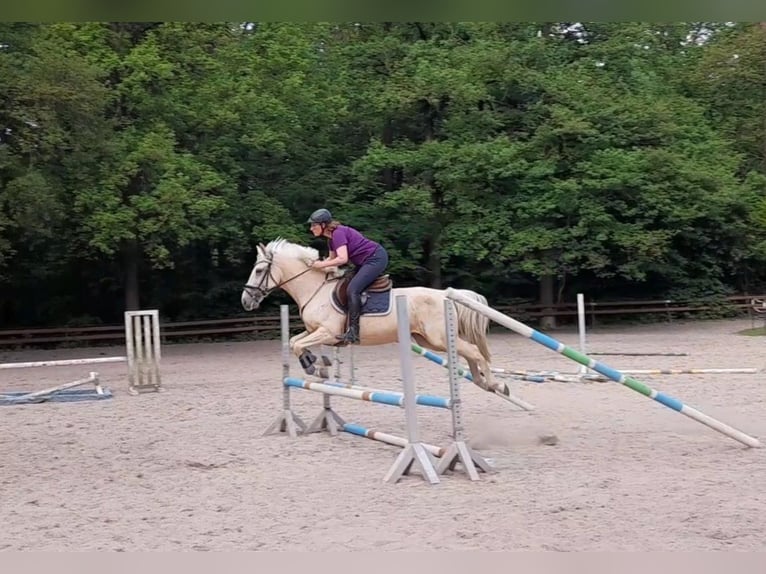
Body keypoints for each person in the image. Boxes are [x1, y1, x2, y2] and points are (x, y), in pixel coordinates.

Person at [306, 208, 389, 344]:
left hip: (375, 259)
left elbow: (342, 259)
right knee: (344, 283)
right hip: (364, 262)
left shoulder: (338, 233)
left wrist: (319, 265)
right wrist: (314, 265)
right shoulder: (331, 240)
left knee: (353, 290)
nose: (311, 228)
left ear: (323, 225)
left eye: (313, 225)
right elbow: (331, 260)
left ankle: (353, 331)